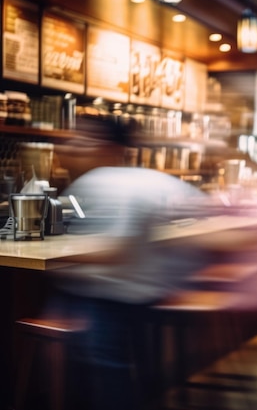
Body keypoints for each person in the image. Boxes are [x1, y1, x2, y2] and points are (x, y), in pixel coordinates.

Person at [49, 117, 213, 410]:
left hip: (111, 295)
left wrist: (57, 253)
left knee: (101, 360)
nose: (70, 147)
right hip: (154, 291)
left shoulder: (103, 182)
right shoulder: (145, 179)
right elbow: (204, 210)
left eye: (83, 141)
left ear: (112, 148)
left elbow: (115, 250)